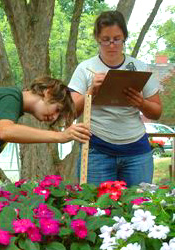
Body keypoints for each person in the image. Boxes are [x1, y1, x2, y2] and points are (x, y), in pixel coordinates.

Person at [68, 10, 162, 187]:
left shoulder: (140, 67)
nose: (111, 45)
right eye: (106, 39)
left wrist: (141, 103)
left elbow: (157, 112)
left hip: (137, 151)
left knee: (138, 207)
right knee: (96, 209)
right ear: (97, 38)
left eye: (117, 39)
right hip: (97, 149)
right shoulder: (85, 68)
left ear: (124, 37)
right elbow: (70, 112)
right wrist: (91, 91)